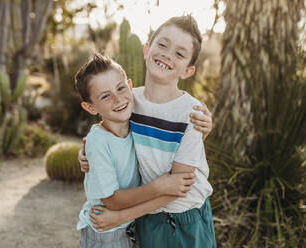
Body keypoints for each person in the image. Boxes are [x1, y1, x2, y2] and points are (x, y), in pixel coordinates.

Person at [85, 15, 216, 248]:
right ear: (147, 49)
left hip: (185, 219)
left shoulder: (192, 114)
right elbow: (105, 133)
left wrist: (122, 216)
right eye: (162, 45)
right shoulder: (127, 99)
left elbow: (178, 188)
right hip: (146, 215)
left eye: (179, 53)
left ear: (188, 70)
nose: (167, 54)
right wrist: (85, 152)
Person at [75, 53, 197, 248]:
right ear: (90, 107)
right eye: (105, 96)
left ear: (130, 86)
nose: (118, 99)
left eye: (121, 88)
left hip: (131, 223)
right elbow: (112, 201)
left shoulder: (136, 121)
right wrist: (160, 187)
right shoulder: (98, 142)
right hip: (106, 231)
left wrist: (204, 128)